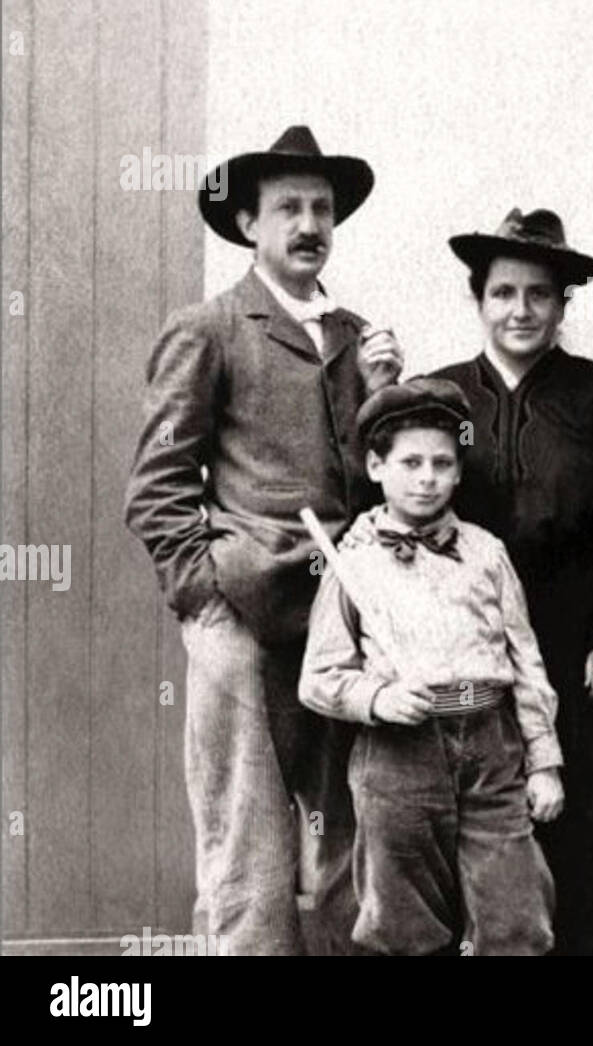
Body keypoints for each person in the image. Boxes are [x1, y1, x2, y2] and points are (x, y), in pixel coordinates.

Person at [124, 125, 404, 955]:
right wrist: (207, 598)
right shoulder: (209, 328)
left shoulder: (358, 338)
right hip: (244, 623)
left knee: (348, 836)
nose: (308, 224)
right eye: (287, 208)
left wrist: (387, 393)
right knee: (247, 847)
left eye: (321, 208)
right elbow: (156, 488)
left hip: (342, 626)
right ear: (249, 224)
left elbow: (375, 486)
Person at [432, 208, 593, 955]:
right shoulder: (440, 394)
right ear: (480, 300)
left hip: (574, 640)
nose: (520, 310)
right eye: (503, 293)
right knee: (483, 823)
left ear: (563, 305)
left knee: (587, 821)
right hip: (467, 646)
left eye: (538, 294)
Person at [299, 378, 563, 957]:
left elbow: (526, 664)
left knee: (516, 915)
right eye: (410, 462)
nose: (427, 477)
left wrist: (544, 762)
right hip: (398, 756)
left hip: (492, 750)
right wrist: (376, 699)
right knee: (402, 924)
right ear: (376, 466)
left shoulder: (487, 553)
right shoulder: (354, 563)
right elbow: (318, 678)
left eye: (442, 463)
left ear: (459, 472)